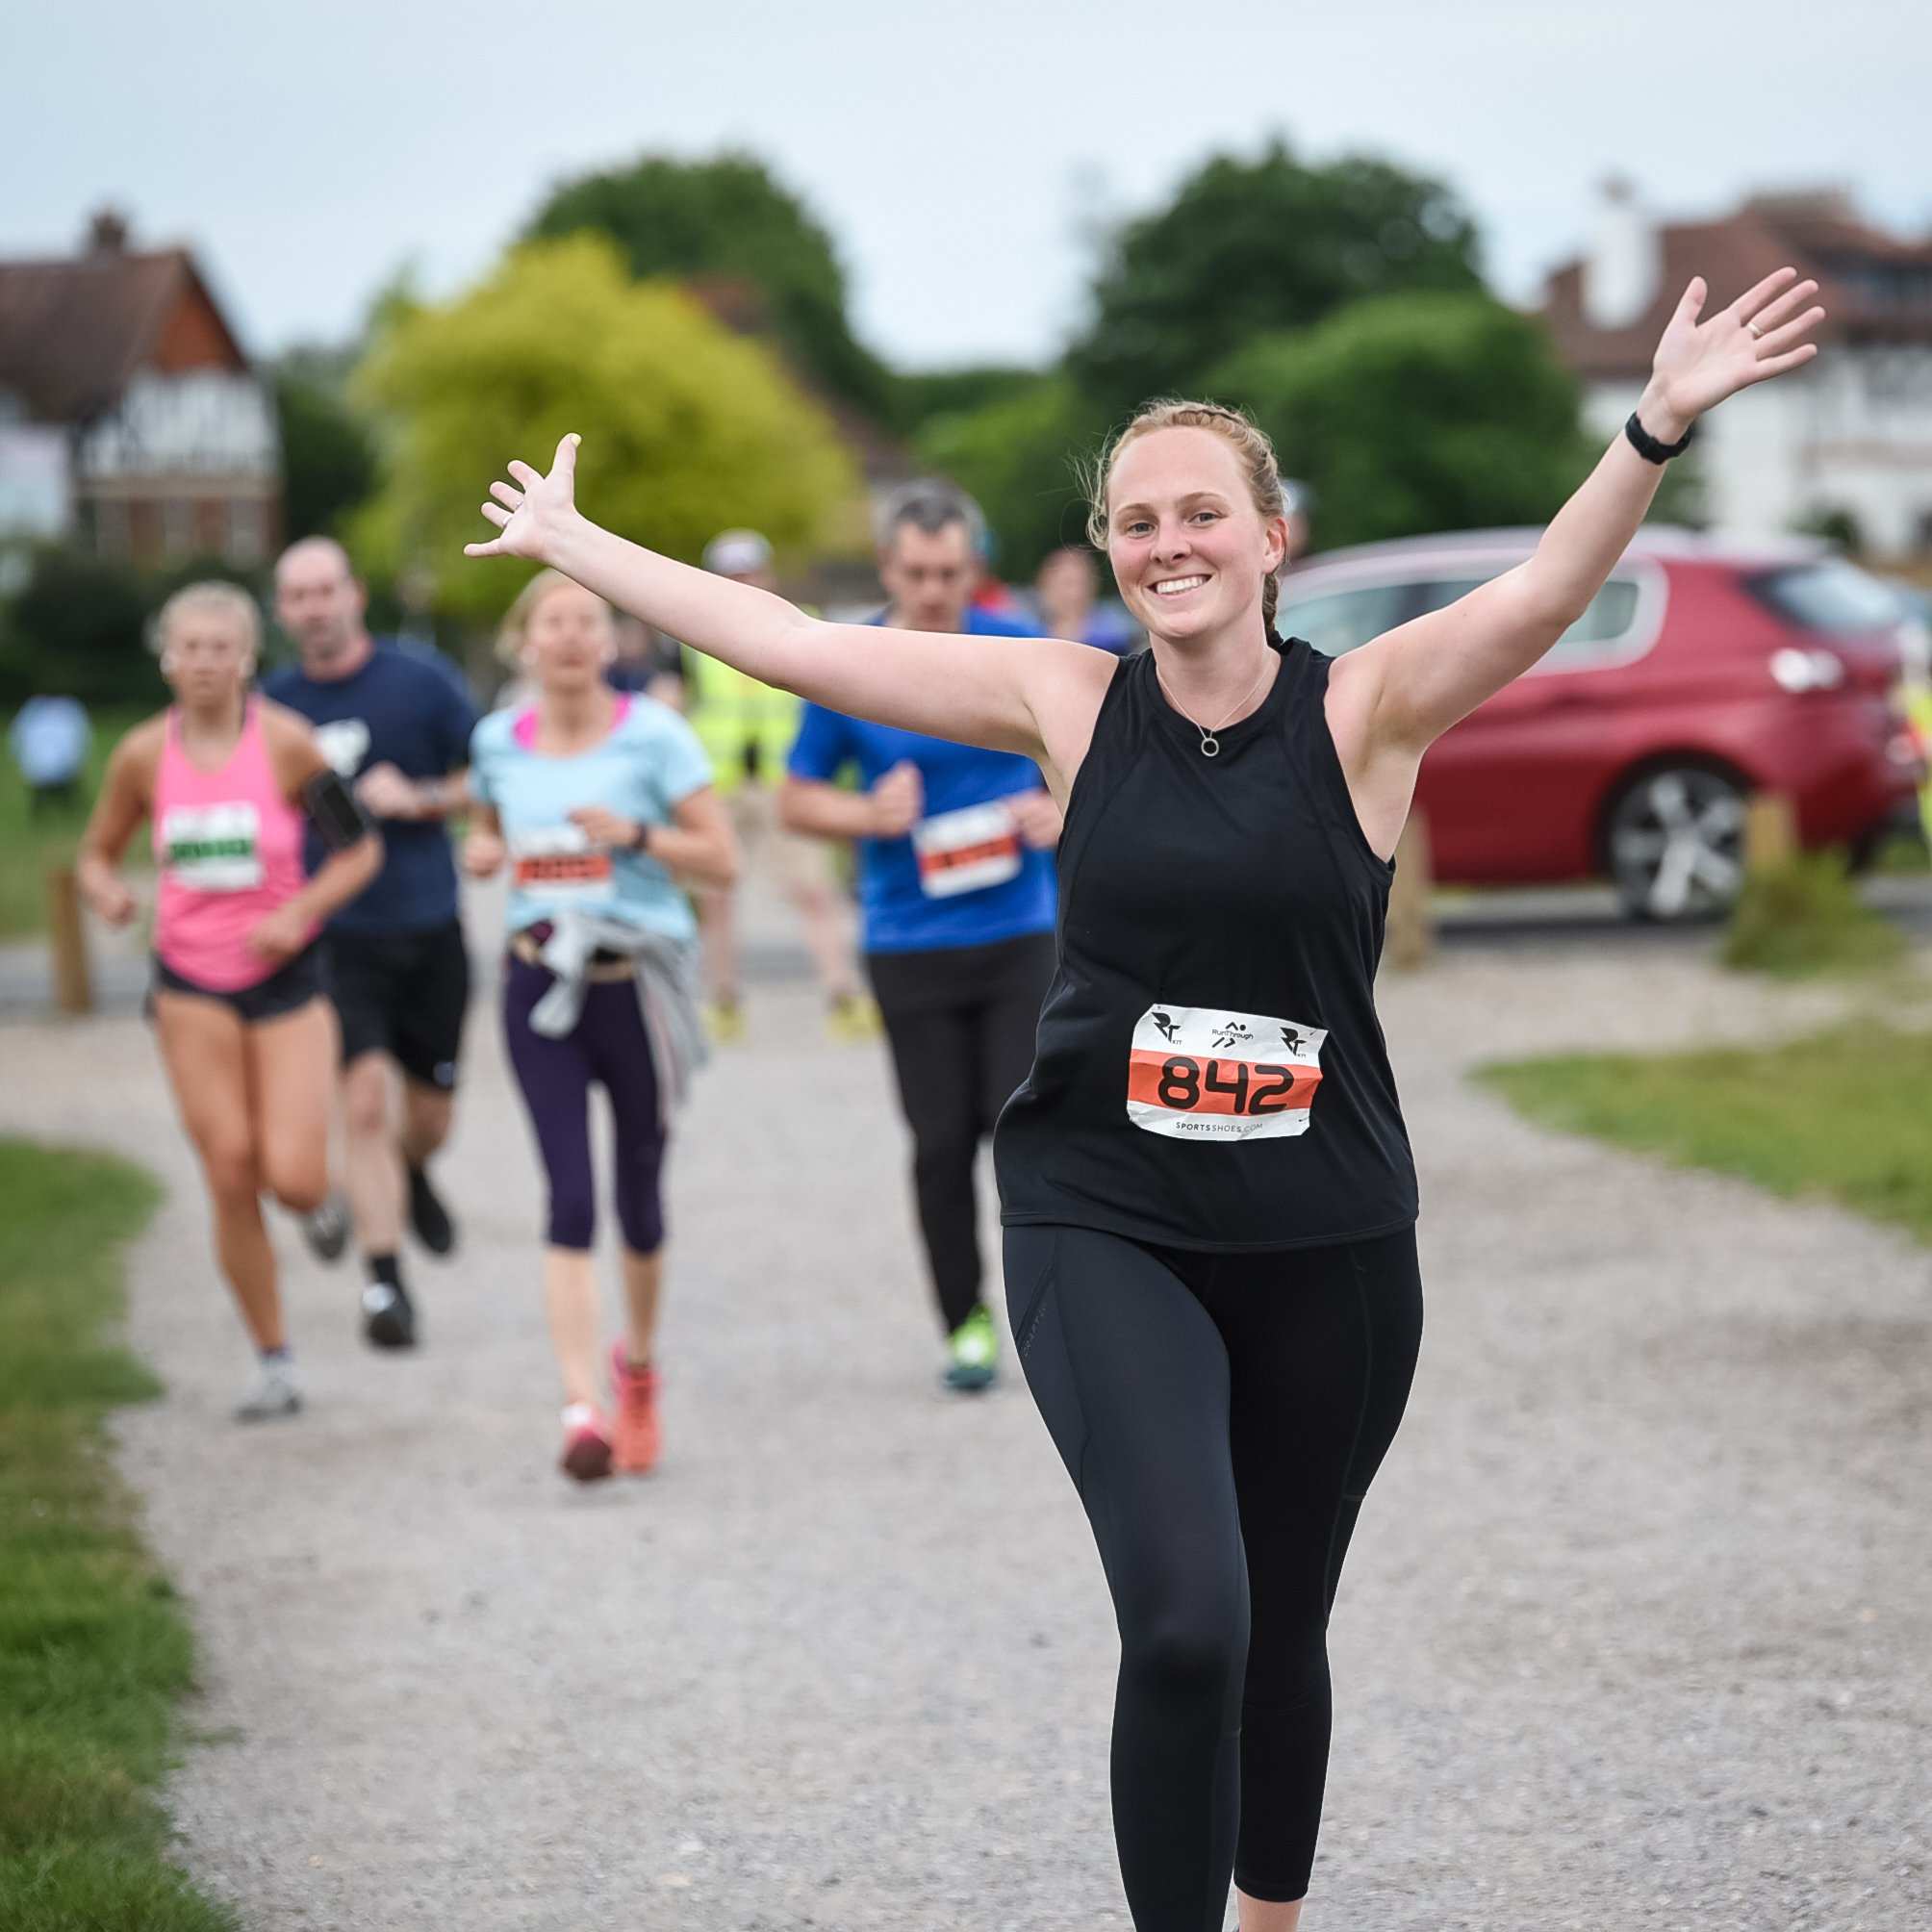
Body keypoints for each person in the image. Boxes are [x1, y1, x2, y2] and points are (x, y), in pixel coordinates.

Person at [462, 264, 1824, 1928]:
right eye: (1133, 520)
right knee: (1187, 1615)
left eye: (1198, 513)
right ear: (1110, 549)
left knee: (1281, 1626)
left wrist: (1652, 422)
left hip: (1327, 1233)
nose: (1165, 543)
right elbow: (800, 644)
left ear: (1268, 535)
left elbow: (1543, 590)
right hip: (1102, 1216)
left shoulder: (1363, 708)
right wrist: (579, 547)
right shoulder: (1061, 698)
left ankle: (1269, 1915)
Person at [780, 482, 1061, 1393]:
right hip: (908, 939)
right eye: (918, 573)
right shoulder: (850, 662)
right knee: (941, 1141)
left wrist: (1061, 806)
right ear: (888, 568)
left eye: (951, 572)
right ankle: (965, 1322)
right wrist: (868, 811)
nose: (936, 590)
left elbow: (1108, 761)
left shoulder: (1024, 650)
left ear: (972, 567)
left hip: (1021, 927)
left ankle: (1056, 1320)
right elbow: (796, 797)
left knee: (1022, 1127)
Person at [75, 583, 379, 1420]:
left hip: (285, 979)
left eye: (221, 647)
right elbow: (96, 853)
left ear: (247, 658)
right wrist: (106, 894)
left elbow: (358, 851)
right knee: (229, 1170)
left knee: (290, 1173)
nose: (205, 662)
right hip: (188, 983)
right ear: (167, 657)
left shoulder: (289, 744)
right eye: (190, 647)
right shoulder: (141, 755)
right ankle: (274, 1360)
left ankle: (321, 1202)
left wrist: (298, 912)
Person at [463, 571, 736, 1481]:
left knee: (640, 1200)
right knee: (570, 1198)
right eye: (555, 623)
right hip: (540, 985)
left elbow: (723, 860)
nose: (574, 638)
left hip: (638, 987)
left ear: (613, 642)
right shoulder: (497, 740)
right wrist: (487, 849)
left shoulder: (655, 737)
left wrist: (635, 836)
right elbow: (494, 824)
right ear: (525, 643)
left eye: (590, 622)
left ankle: (641, 1372)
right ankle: (582, 1408)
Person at [267, 538, 478, 1351]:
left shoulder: (420, 681)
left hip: (428, 926)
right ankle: (385, 1284)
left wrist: (423, 795)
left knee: (429, 1115)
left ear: (354, 593)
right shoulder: (275, 708)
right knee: (358, 1101)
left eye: (327, 590)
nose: (315, 607)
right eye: (298, 595)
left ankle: (414, 1167)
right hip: (335, 936)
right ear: (282, 611)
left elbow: (486, 777)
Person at [684, 528, 874, 1042]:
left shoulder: (801, 623)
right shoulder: (690, 636)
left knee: (813, 889)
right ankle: (722, 1001)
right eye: (733, 575)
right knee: (717, 897)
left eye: (750, 572)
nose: (743, 583)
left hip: (781, 779)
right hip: (719, 783)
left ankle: (842, 995)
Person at [1034, 545, 1137, 655]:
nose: (1075, 593)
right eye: (1067, 584)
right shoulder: (1029, 633)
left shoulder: (1115, 635)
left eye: (1082, 583)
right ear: (1045, 586)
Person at [10, 693, 91, 815]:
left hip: (55, 768)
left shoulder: (35, 710)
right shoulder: (35, 710)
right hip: (46, 768)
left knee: (58, 796)